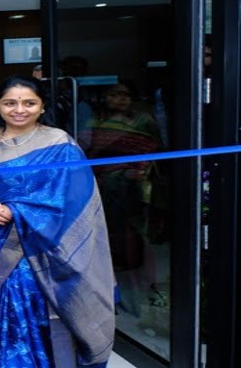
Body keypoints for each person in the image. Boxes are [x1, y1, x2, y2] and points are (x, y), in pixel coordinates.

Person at [0, 75, 115, 367]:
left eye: (29, 103)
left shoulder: (58, 142)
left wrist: (17, 211)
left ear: (41, 107)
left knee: (22, 297)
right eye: (10, 103)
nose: (19, 110)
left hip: (40, 243)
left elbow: (74, 199)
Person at [78, 81, 162, 316]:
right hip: (100, 183)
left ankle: (138, 283)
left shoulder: (143, 121)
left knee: (132, 231)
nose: (120, 99)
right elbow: (85, 148)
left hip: (132, 183)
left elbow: (153, 149)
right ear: (105, 98)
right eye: (114, 95)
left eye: (125, 95)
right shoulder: (95, 121)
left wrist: (136, 170)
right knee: (104, 231)